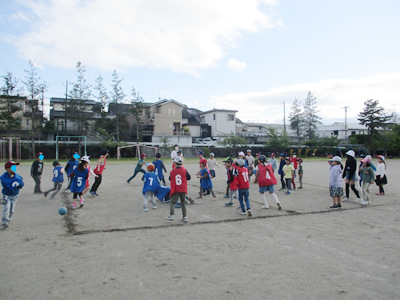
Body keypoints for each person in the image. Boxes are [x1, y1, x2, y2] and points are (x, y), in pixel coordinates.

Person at [1, 161, 24, 228]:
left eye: (15, 167)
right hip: (6, 195)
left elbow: (21, 185)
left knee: (12, 210)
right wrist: (12, 179)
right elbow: (8, 186)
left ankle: (8, 220)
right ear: (7, 169)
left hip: (15, 196)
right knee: (6, 208)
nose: (14, 168)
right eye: (12, 167)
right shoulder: (3, 177)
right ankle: (5, 222)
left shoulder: (17, 176)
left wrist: (18, 181)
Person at [168, 156, 191, 222]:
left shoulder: (173, 171)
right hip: (183, 188)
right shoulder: (184, 170)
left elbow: (170, 178)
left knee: (172, 202)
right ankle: (185, 217)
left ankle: (172, 215)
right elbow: (189, 177)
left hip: (176, 189)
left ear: (175, 163)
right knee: (183, 203)